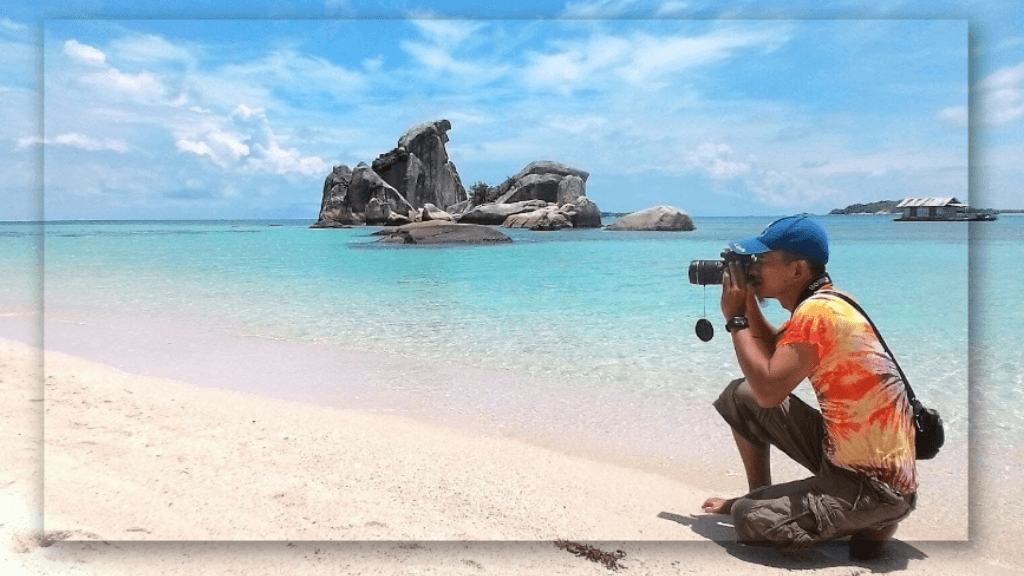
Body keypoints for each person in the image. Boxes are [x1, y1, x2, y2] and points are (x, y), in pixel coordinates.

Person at [700, 215, 917, 560]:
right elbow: (771, 356)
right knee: (741, 396)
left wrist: (735, 319)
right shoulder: (828, 303)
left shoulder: (817, 314)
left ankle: (873, 517)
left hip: (873, 484)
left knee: (749, 518)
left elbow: (771, 392)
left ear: (797, 270)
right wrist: (746, 300)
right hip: (845, 455)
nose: (753, 268)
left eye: (761, 261)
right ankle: (763, 493)